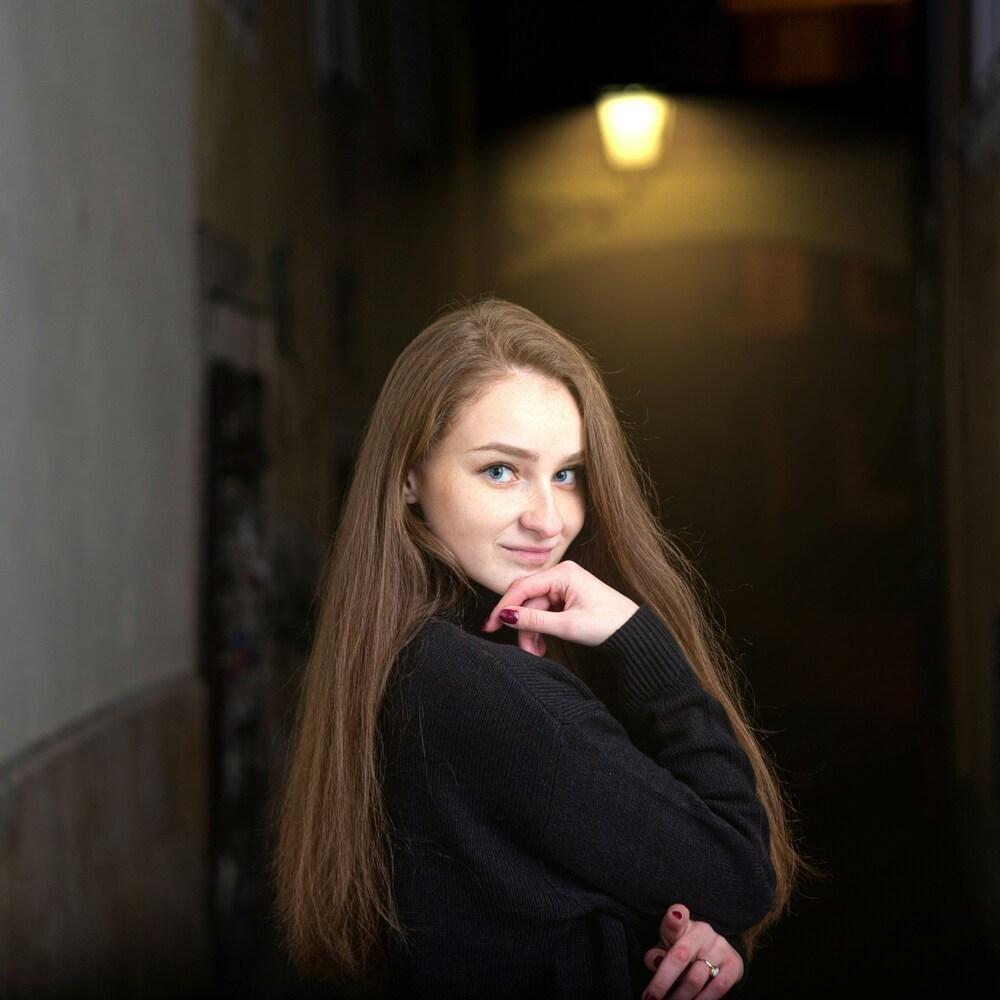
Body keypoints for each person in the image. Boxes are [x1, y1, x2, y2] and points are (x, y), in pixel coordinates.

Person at [272, 297, 805, 999]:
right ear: (407, 475)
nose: (549, 520)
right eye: (501, 470)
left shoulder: (418, 653)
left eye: (567, 474)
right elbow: (738, 871)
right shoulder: (483, 688)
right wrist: (641, 643)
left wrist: (685, 936)